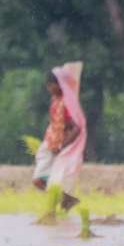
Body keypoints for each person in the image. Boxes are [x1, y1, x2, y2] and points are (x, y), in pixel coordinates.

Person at [32, 62, 87, 211]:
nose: (48, 89)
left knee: (44, 180)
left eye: (50, 85)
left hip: (58, 145)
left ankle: (61, 203)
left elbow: (76, 127)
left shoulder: (67, 103)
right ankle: (65, 200)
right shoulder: (55, 100)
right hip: (50, 142)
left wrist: (63, 145)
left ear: (58, 85)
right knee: (38, 180)